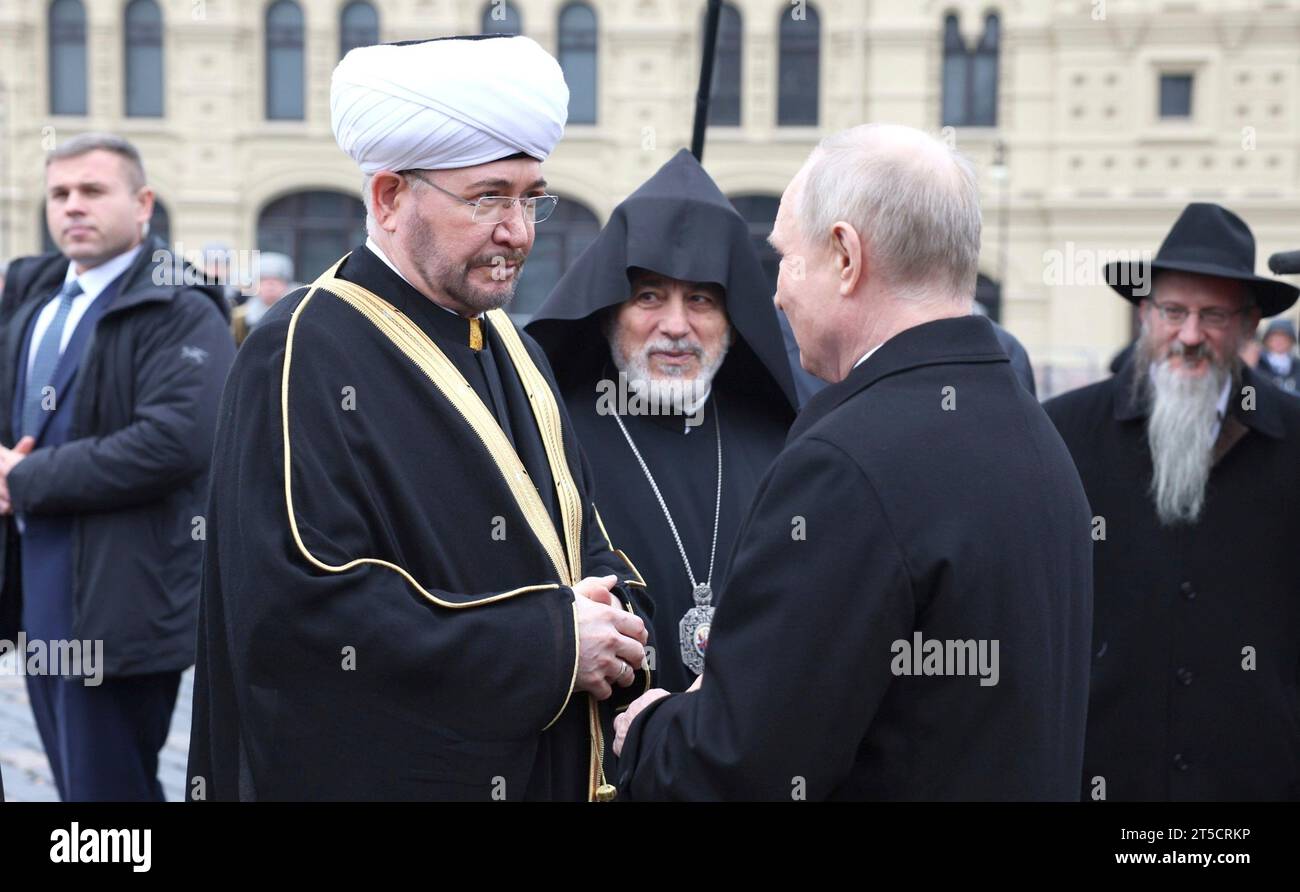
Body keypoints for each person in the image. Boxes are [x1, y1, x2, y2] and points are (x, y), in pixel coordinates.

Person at [187, 35, 651, 802]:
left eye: (531, 197)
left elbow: (575, 533)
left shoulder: (510, 342)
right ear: (390, 197)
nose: (519, 232)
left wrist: (621, 614)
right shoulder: (302, 348)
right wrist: (550, 647)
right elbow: (304, 612)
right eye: (488, 198)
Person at [613, 123, 1094, 800]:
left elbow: (740, 769)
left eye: (784, 257)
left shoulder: (846, 462)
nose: (775, 294)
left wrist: (654, 728)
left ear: (845, 255)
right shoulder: (1035, 433)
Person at [0, 133, 234, 801]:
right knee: (79, 793)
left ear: (143, 204)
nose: (73, 207)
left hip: (119, 607)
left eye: (92, 191)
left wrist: (22, 480)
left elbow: (173, 442)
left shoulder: (182, 310)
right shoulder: (36, 303)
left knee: (112, 797)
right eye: (60, 194)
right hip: (37, 592)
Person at [1044, 202, 1300, 801]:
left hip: (1253, 782)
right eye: (1173, 312)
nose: (1189, 335)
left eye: (1212, 315)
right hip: (1100, 777)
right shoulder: (1063, 432)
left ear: (1247, 325)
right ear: (1144, 314)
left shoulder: (1292, 437)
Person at [526, 149, 796, 696]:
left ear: (734, 321)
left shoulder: (782, 443)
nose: (676, 326)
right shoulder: (549, 438)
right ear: (608, 311)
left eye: (700, 299)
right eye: (649, 296)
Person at [231, 251, 293, 347]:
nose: (270, 285)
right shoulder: (240, 318)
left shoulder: (297, 314)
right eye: (264, 280)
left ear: (286, 284)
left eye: (277, 280)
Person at [1256, 317, 1298, 394]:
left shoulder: (1297, 366)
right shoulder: (1258, 363)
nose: (1279, 341)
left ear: (1291, 341)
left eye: (1284, 337)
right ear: (1267, 340)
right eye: (1275, 337)